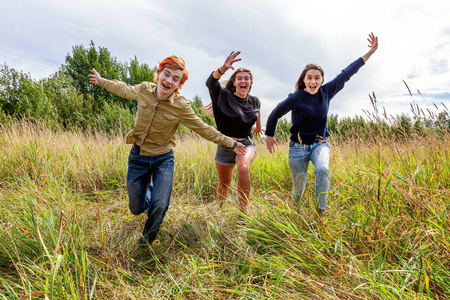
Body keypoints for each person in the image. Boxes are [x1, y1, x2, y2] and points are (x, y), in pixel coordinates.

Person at [89, 55, 246, 245]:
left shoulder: (181, 106)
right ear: (159, 74)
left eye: (175, 79)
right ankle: (152, 193)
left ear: (179, 84)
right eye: (167, 74)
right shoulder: (144, 89)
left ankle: (147, 241)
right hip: (138, 156)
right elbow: (123, 89)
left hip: (163, 159)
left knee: (161, 204)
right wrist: (101, 81)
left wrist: (231, 143)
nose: (169, 80)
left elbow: (203, 128)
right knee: (136, 207)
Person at [265, 33, 378, 217]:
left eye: (317, 78)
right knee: (299, 188)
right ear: (304, 80)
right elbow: (275, 113)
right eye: (309, 77)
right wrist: (269, 136)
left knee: (323, 170)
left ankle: (320, 212)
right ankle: (295, 212)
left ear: (322, 80)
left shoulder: (326, 92)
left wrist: (370, 53)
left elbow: (348, 72)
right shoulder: (296, 97)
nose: (313, 81)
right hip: (297, 148)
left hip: (320, 144)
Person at [205, 51, 263, 212]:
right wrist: (224, 67)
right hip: (226, 144)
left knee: (243, 167)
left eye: (246, 78)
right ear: (235, 82)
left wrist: (258, 127)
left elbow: (257, 111)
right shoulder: (223, 96)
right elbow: (210, 82)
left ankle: (243, 212)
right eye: (240, 78)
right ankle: (220, 210)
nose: (243, 80)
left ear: (251, 82)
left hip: (246, 143)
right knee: (224, 183)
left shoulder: (255, 100)